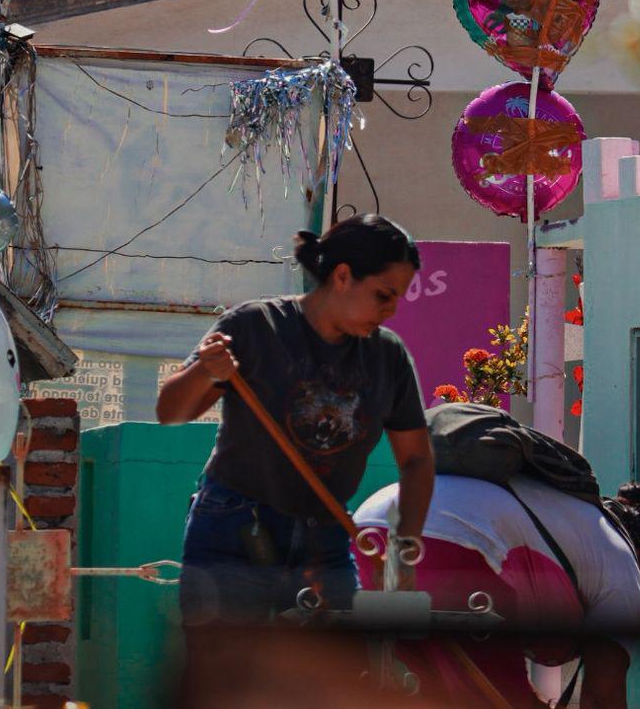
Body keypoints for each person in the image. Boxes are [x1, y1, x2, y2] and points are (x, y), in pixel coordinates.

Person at [157, 214, 435, 629]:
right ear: (343, 276)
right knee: (223, 683)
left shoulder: (387, 356)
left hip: (326, 536)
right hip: (233, 528)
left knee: (332, 681)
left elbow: (416, 459)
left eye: (397, 299)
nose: (391, 311)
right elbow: (170, 413)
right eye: (383, 295)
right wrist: (206, 372)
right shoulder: (253, 327)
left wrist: (404, 545)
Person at [353, 475, 640, 708]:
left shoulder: (579, 526)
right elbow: (602, 700)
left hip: (371, 527)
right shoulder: (625, 568)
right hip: (452, 543)